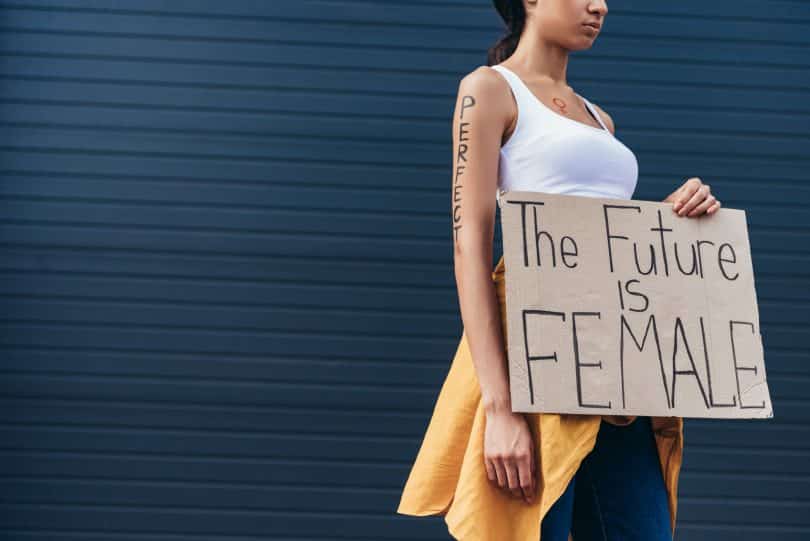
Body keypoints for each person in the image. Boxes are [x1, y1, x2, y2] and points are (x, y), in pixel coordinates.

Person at [397, 1, 723, 540]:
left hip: (618, 376)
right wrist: (501, 410)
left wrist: (675, 220)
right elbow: (470, 250)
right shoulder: (489, 88)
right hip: (536, 371)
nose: (600, 5)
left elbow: (610, 251)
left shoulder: (599, 117)